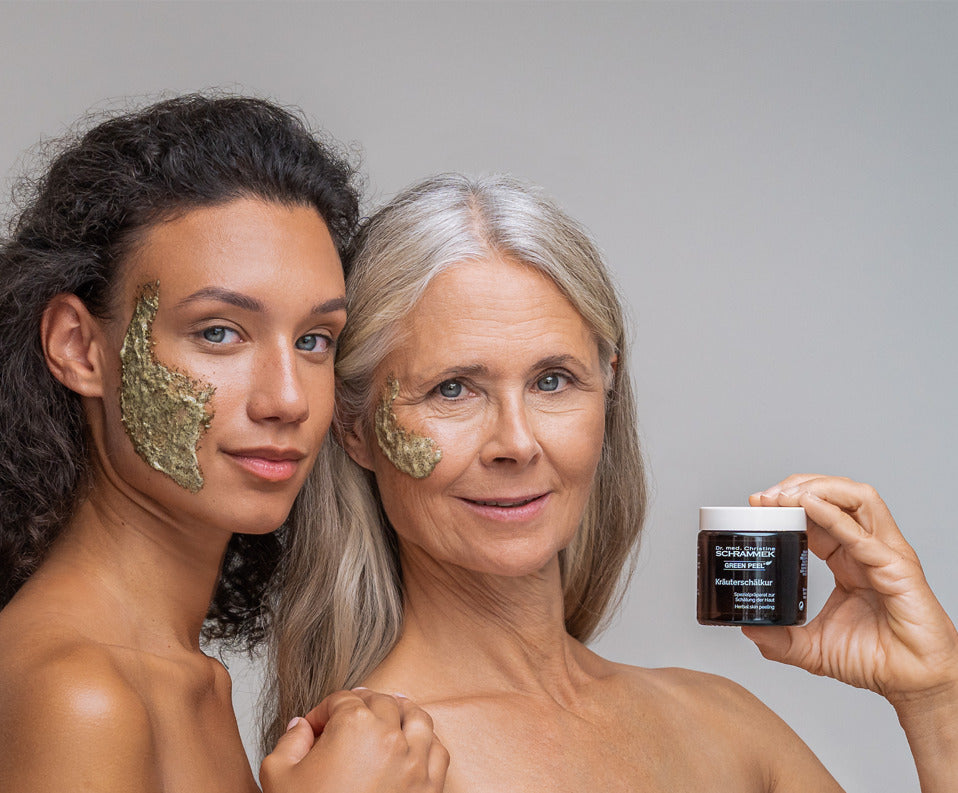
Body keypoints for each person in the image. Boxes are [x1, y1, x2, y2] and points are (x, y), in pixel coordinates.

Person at [265, 173, 958, 791]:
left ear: (609, 393)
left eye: (553, 380)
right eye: (452, 389)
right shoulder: (368, 769)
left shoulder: (725, 727)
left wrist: (935, 697)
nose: (517, 441)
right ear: (354, 428)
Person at [0, 95, 447, 793]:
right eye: (219, 332)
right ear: (79, 346)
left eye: (313, 340)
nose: (288, 398)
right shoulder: (78, 694)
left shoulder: (182, 674)